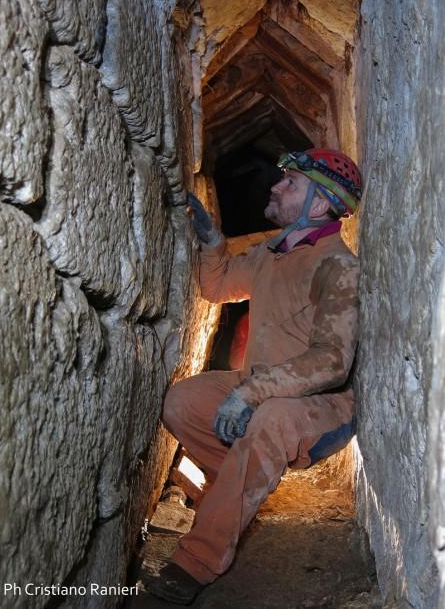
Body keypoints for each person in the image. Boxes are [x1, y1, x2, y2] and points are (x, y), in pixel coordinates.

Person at [147, 148, 362, 605]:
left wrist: (251, 390)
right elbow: (219, 286)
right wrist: (212, 245)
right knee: (183, 402)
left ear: (320, 205)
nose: (276, 186)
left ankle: (196, 563)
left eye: (291, 184)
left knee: (273, 418)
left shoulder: (336, 267)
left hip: (320, 406)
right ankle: (232, 488)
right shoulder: (273, 251)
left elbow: (333, 361)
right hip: (262, 385)